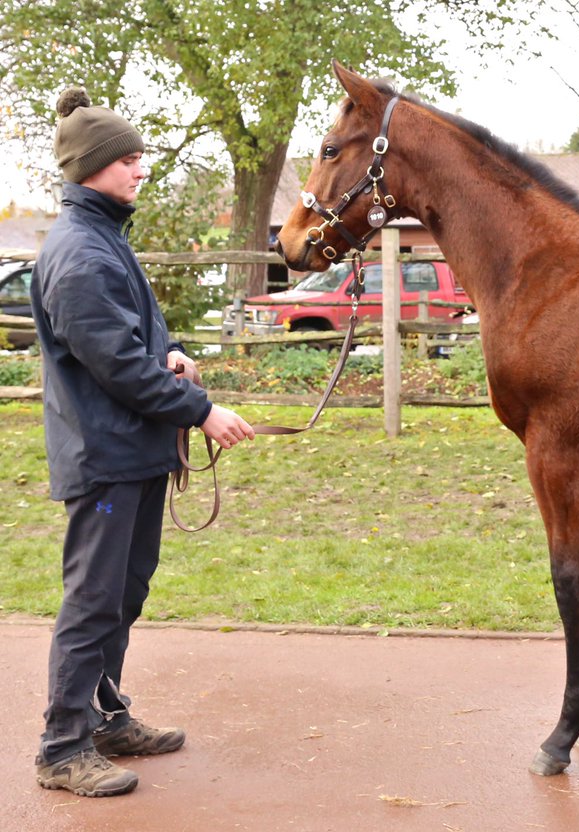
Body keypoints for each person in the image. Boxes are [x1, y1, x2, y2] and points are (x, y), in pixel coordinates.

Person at [30, 86, 255, 798]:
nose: (141, 168)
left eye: (139, 157)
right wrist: (201, 411)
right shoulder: (80, 253)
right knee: (93, 600)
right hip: (105, 459)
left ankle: (104, 719)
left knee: (122, 594)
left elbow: (134, 339)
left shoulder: (105, 238)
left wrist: (173, 352)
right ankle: (62, 748)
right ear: (91, 167)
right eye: (128, 159)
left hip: (130, 453)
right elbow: (118, 367)